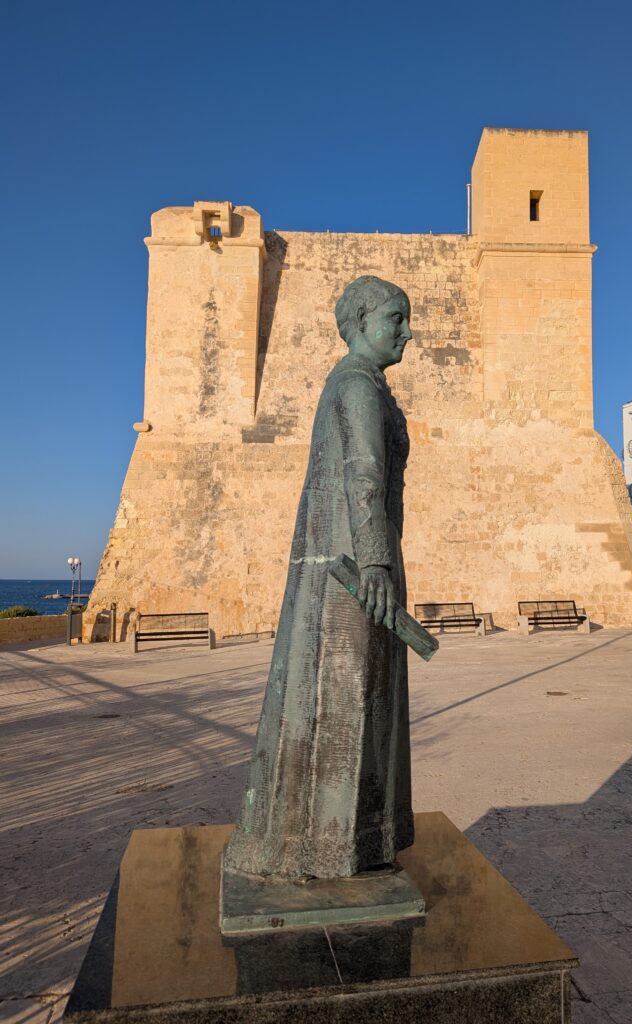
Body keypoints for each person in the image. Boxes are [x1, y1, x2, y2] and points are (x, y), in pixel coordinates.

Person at [223, 275, 415, 881]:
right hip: (354, 571)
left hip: (347, 562)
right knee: (347, 702)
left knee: (345, 700)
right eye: (396, 319)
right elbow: (364, 474)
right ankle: (331, 845)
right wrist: (377, 563)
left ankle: (336, 841)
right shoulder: (357, 385)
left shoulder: (361, 383)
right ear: (360, 323)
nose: (408, 333)